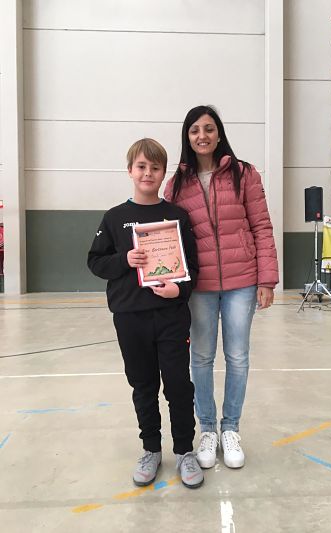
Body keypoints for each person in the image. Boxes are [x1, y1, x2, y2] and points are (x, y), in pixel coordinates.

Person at [164, 105, 278, 469]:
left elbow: (261, 227)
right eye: (195, 130)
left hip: (242, 282)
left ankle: (231, 428)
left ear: (218, 133)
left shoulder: (244, 174)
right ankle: (208, 429)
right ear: (187, 136)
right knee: (200, 357)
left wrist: (267, 279)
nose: (202, 135)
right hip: (200, 286)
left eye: (209, 128)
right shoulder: (176, 185)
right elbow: (169, 239)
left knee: (238, 356)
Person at [87, 138, 204, 489]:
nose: (147, 173)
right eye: (141, 166)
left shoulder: (177, 216)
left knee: (178, 385)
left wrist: (179, 290)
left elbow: (193, 266)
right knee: (143, 385)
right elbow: (95, 262)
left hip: (171, 316)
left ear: (163, 172)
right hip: (130, 316)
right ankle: (151, 449)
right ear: (130, 171)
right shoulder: (114, 218)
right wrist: (124, 260)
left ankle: (184, 451)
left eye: (155, 167)